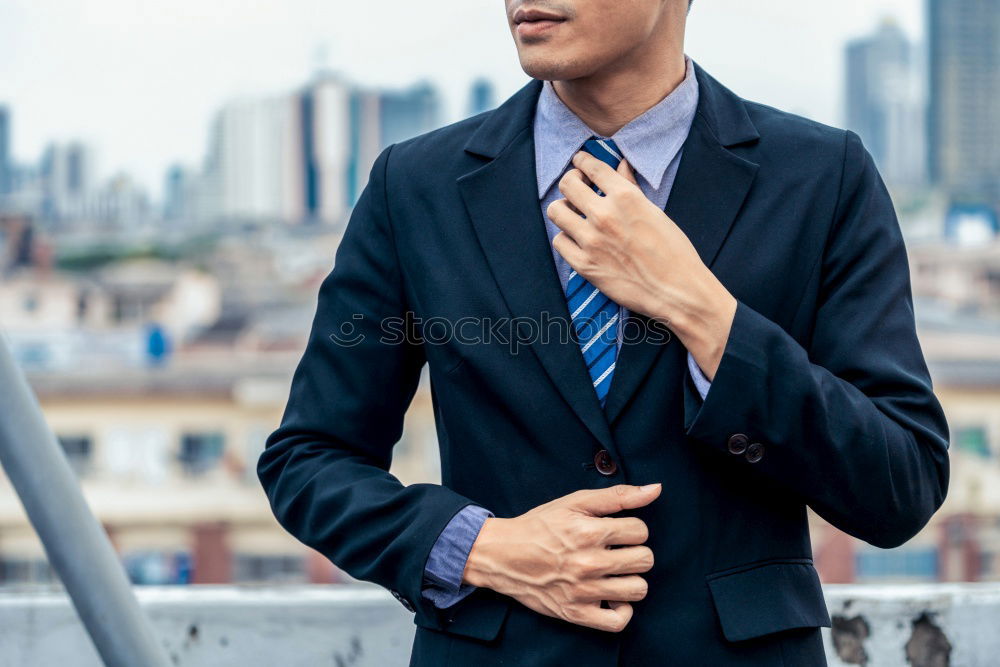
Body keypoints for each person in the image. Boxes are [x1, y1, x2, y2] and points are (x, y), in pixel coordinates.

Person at [257, 1, 951, 664]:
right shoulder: (415, 186)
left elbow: (902, 483)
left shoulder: (822, 178)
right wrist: (484, 547)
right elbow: (308, 458)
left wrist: (704, 311)